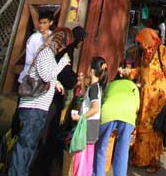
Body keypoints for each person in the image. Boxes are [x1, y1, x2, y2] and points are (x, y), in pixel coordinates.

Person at [8, 29, 71, 176]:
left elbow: (46, 74)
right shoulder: (46, 53)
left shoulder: (47, 54)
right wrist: (62, 63)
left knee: (30, 144)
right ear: (59, 44)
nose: (63, 50)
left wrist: (56, 82)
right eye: (63, 46)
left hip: (38, 106)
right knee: (26, 144)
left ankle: (21, 172)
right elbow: (46, 74)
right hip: (34, 106)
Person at [126, 27, 166, 173]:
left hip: (157, 97)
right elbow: (142, 70)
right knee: (143, 127)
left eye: (142, 41)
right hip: (145, 97)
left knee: (155, 129)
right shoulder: (146, 53)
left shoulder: (161, 50)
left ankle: (154, 161)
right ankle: (141, 159)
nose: (141, 45)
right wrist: (130, 72)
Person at [93, 63, 140, 176]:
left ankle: (98, 174)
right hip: (128, 115)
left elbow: (103, 101)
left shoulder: (110, 84)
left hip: (108, 112)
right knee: (122, 149)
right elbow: (137, 107)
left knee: (101, 147)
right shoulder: (133, 87)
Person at [71, 56, 108, 176]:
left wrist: (80, 117)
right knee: (87, 158)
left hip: (87, 127)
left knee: (81, 159)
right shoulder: (96, 87)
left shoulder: (93, 88)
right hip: (92, 127)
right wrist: (82, 84)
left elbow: (95, 108)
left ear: (92, 70)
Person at [18, 10, 54, 83]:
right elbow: (29, 59)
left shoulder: (54, 37)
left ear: (51, 22)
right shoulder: (34, 38)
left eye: (44, 23)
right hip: (31, 75)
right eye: (40, 23)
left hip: (46, 75)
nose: (41, 25)